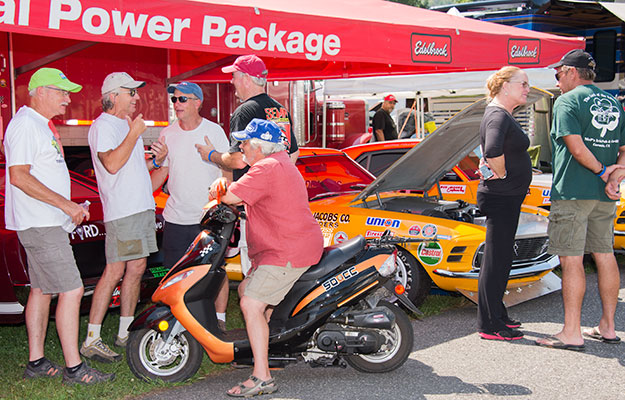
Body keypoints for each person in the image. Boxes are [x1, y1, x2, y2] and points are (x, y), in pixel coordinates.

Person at [4, 67, 113, 384]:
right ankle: (75, 369)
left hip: (45, 221)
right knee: (72, 288)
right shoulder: (26, 125)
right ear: (40, 92)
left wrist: (67, 206)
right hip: (41, 224)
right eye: (62, 91)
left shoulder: (39, 125)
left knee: (42, 290)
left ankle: (36, 362)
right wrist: (65, 205)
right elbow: (19, 176)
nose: (68, 98)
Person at [208, 119, 323, 397]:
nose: (242, 147)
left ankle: (262, 377)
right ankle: (269, 348)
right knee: (248, 290)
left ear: (259, 146)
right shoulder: (281, 163)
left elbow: (232, 196)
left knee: (250, 303)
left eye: (245, 142)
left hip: (286, 250)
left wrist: (218, 186)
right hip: (286, 245)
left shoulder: (266, 167)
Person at [536, 49, 625, 351]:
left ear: (572, 72)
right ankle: (608, 326)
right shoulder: (613, 101)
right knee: (604, 254)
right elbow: (623, 148)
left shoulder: (567, 101)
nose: (557, 80)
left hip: (573, 192)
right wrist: (616, 175)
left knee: (571, 260)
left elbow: (575, 147)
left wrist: (603, 172)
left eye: (558, 74)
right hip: (604, 196)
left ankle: (571, 332)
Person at [195, 54, 300, 304]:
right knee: (275, 269)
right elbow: (293, 152)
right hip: (279, 205)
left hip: (253, 206)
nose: (232, 82)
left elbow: (238, 160)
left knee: (256, 270)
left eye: (234, 76)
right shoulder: (279, 109)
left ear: (245, 79)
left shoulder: (245, 111)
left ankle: (257, 320)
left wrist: (211, 155)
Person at [81, 72, 167, 362]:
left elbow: (132, 168)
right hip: (124, 211)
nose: (137, 97)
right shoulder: (104, 126)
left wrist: (156, 160)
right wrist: (134, 133)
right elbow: (113, 164)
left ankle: (124, 332)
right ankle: (92, 338)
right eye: (131, 93)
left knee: (135, 269)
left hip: (137, 208)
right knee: (116, 271)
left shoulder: (122, 125)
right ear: (114, 95)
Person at [150, 81, 231, 331]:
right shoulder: (167, 133)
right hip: (176, 217)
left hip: (207, 217)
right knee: (174, 272)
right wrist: (151, 171)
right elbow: (161, 172)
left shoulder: (213, 131)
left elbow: (226, 169)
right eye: (174, 99)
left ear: (197, 102)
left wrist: (223, 202)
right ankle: (179, 318)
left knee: (215, 270)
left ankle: (219, 320)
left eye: (182, 99)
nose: (177, 104)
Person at [476, 66, 532, 341]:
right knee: (496, 261)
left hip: (505, 197)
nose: (527, 88)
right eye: (523, 83)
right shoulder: (498, 114)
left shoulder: (502, 114)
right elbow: (492, 150)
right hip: (501, 197)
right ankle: (489, 325)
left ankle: (497, 314)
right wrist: (503, 173)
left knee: (501, 259)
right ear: (505, 86)